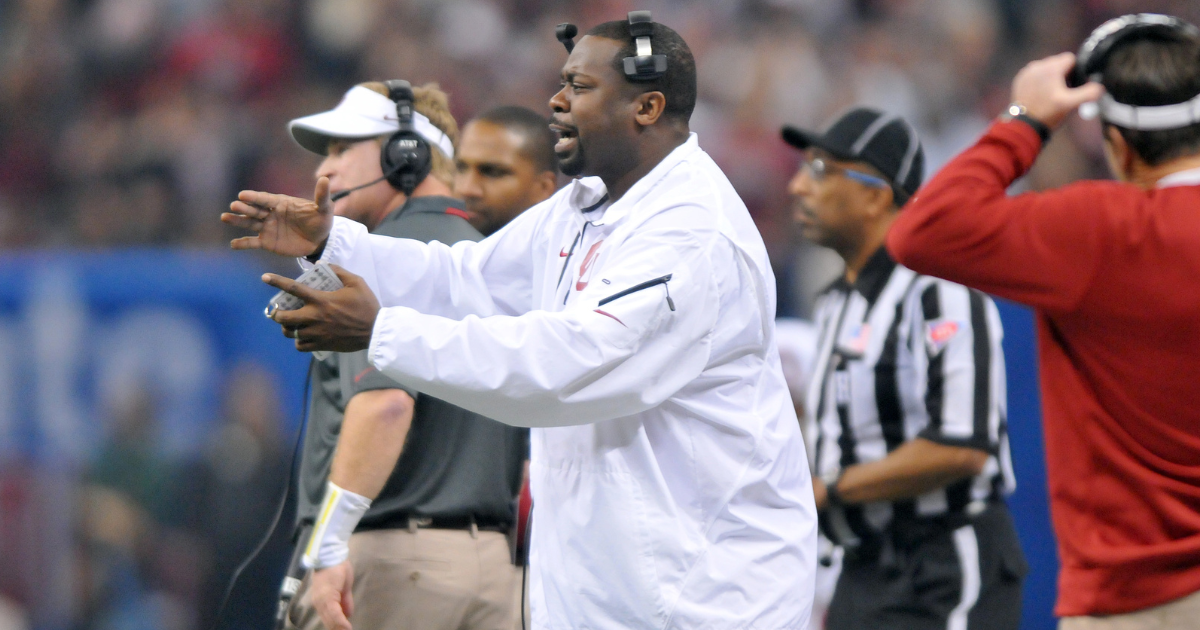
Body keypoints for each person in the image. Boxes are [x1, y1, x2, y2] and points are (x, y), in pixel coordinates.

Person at [223, 15, 817, 630]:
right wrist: (336, 245)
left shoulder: (692, 231)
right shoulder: (582, 206)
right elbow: (465, 280)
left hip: (711, 597)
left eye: (580, 88)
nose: (555, 102)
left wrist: (382, 333)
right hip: (605, 591)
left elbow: (566, 370)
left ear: (648, 106)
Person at [885, 13, 1200, 629]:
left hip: (1128, 601)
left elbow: (922, 231)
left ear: (1118, 145)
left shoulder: (1096, 228)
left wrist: (1026, 121)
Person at [280, 81, 529, 630]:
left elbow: (384, 404)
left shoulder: (374, 261)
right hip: (495, 570)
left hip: (392, 566)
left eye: (345, 149)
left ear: (406, 154)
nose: (327, 171)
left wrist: (328, 548)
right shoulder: (499, 261)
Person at [783, 107, 1025, 630]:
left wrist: (830, 488)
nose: (797, 186)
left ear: (876, 194)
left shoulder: (939, 288)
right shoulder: (833, 304)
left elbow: (962, 444)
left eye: (821, 170)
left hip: (941, 564)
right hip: (861, 567)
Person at [454, 105, 559, 237]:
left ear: (543, 188)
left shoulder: (570, 255)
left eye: (492, 173)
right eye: (461, 168)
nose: (466, 189)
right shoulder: (433, 249)